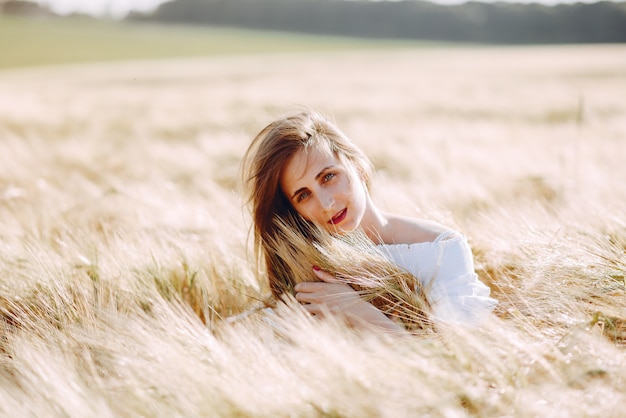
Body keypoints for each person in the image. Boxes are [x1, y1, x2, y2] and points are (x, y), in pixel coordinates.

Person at [241, 109, 496, 333]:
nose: (326, 204)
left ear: (358, 166)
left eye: (328, 177)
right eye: (304, 195)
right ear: (295, 211)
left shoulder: (443, 250)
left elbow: (456, 355)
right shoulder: (309, 266)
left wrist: (358, 312)